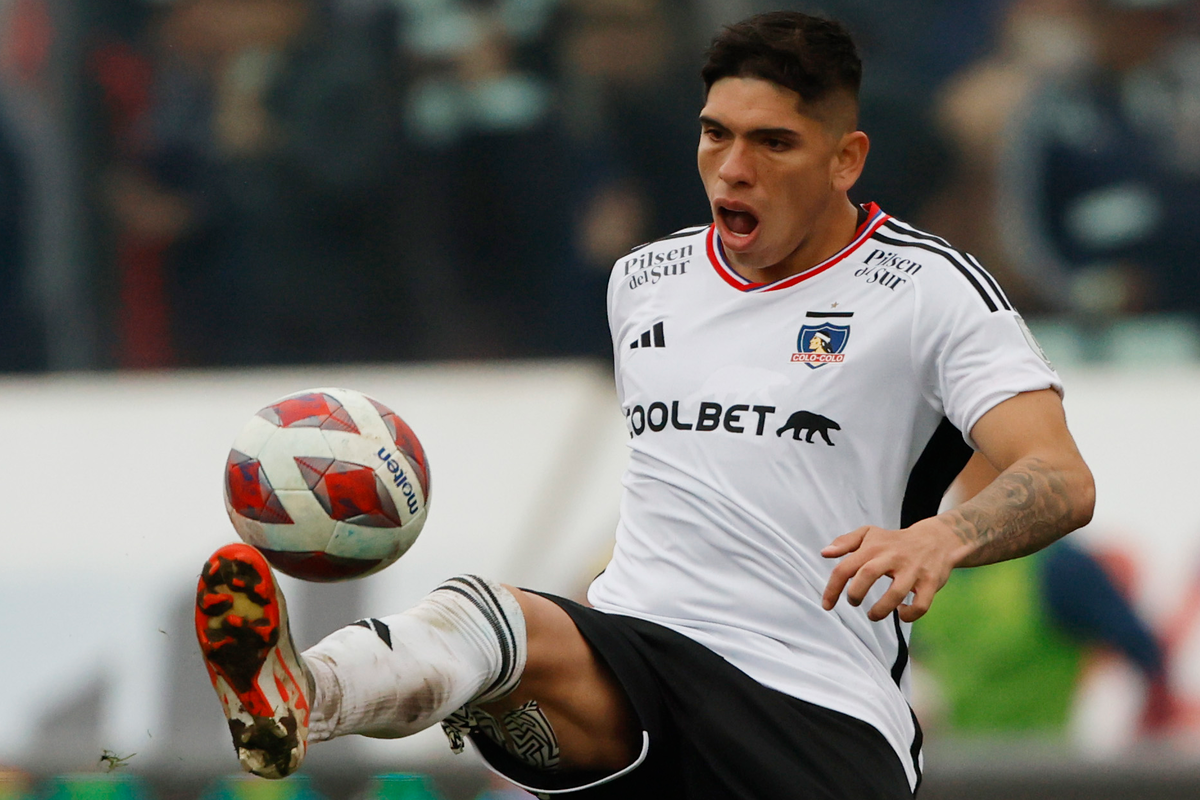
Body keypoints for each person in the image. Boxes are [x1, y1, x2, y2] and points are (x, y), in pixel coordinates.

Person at [195, 12, 1095, 799]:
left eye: (773, 143)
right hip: (641, 668)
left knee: (502, 630)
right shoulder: (645, 281)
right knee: (488, 617)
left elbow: (1059, 474)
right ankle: (301, 700)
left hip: (810, 712)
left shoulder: (926, 288)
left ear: (844, 157)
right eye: (715, 135)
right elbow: (689, 491)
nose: (733, 168)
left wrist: (943, 535)